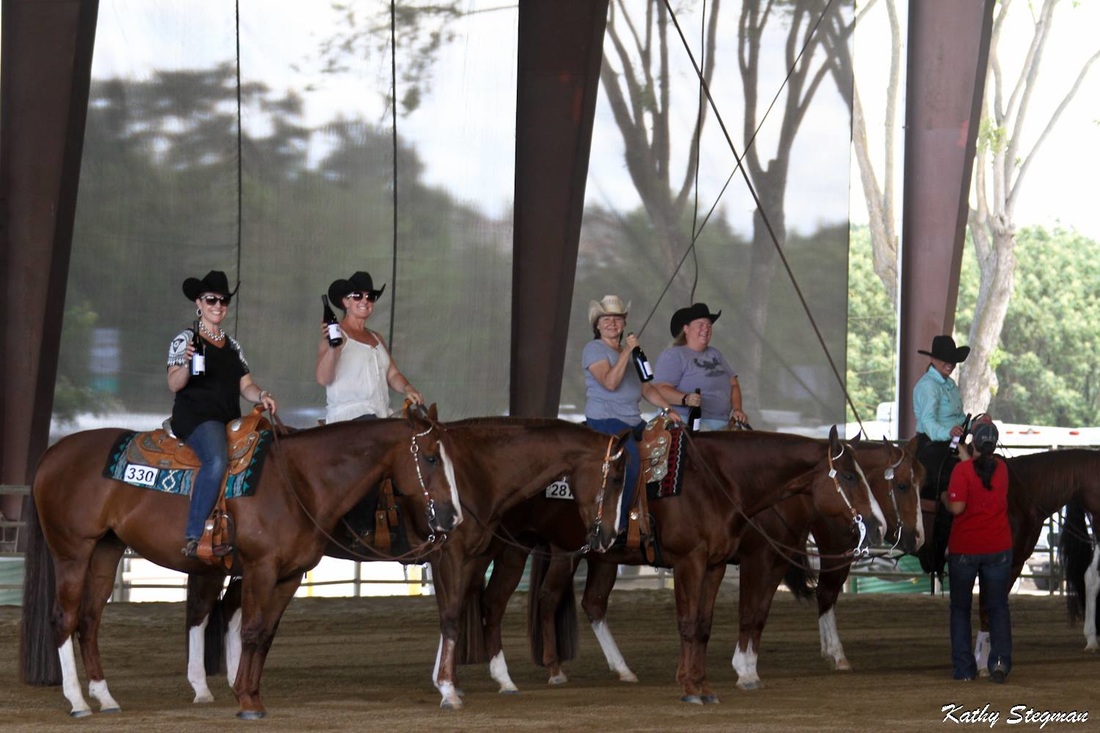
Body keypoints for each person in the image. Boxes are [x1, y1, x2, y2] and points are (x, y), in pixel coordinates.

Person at [168, 270, 277, 557]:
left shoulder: (233, 346)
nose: (218, 305)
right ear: (199, 303)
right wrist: (187, 364)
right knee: (216, 460)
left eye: (223, 300)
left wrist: (262, 395)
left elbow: (246, 385)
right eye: (211, 299)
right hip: (197, 416)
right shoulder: (186, 339)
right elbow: (173, 384)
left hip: (229, 418)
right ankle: (194, 534)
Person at [583, 295, 681, 531]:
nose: (612, 323)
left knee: (671, 447)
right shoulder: (594, 349)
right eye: (606, 319)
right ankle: (620, 524)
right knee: (631, 462)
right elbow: (610, 383)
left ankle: (660, 516)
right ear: (597, 325)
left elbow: (647, 388)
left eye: (617, 318)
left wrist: (668, 410)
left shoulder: (634, 352)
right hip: (606, 420)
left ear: (624, 323)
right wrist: (626, 351)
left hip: (633, 420)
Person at [942, 420, 1012, 683]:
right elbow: (982, 470)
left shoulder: (962, 472)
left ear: (973, 444)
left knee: (960, 609)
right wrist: (967, 458)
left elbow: (957, 507)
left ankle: (964, 669)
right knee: (998, 607)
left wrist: (944, 499)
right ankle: (1000, 661)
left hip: (965, 549)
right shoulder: (1003, 469)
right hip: (998, 548)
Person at [316, 271, 423, 424]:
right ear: (346, 302)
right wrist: (334, 347)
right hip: (349, 421)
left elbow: (392, 375)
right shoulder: (337, 334)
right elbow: (322, 378)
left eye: (370, 297)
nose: (365, 301)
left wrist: (408, 388)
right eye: (358, 296)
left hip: (380, 419)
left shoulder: (376, 337)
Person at [912, 334, 973, 577]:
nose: (950, 364)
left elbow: (956, 415)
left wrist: (966, 424)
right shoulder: (927, 386)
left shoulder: (949, 384)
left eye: (953, 361)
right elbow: (927, 423)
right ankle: (939, 547)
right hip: (932, 445)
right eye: (946, 360)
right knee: (950, 480)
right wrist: (949, 431)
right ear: (935, 360)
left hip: (953, 441)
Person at [653, 302, 748, 431]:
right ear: (686, 329)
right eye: (700, 325)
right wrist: (686, 399)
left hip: (722, 423)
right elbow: (660, 389)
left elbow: (734, 384)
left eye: (709, 325)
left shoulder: (715, 354)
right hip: (686, 421)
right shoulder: (674, 355)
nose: (706, 329)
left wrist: (737, 409)